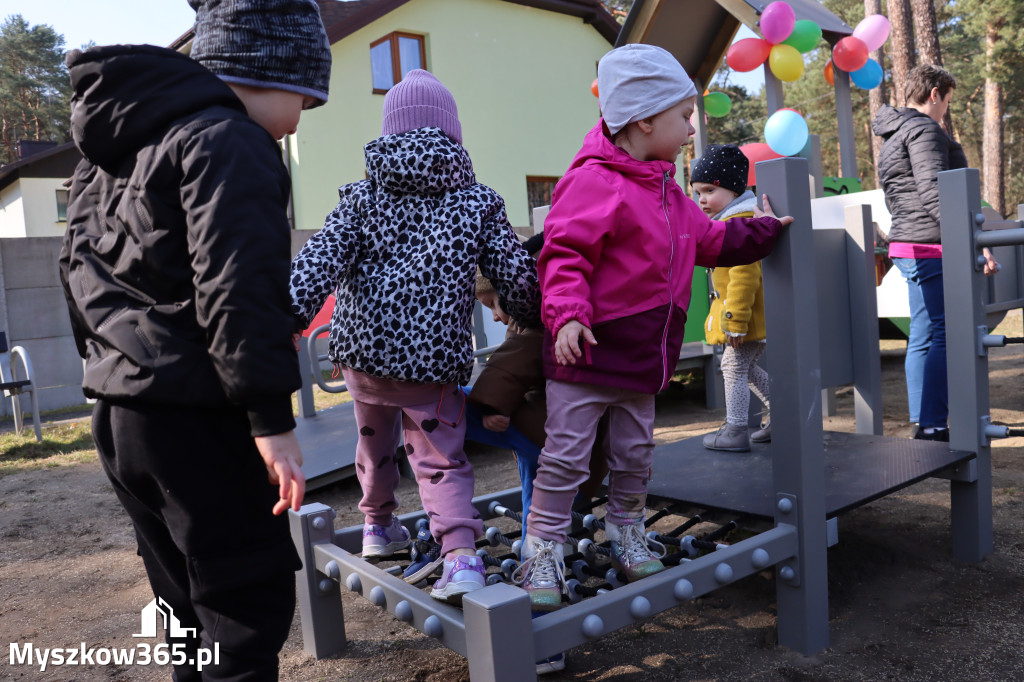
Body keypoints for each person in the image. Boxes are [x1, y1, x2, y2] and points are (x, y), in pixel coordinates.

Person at [58, 0, 331, 679]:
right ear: (261, 68)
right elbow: (239, 288)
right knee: (243, 606)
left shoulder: (114, 153)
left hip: (122, 410)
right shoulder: (230, 141)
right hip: (199, 414)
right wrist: (270, 419)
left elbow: (76, 272)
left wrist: (109, 367)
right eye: (304, 92)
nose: (303, 112)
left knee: (184, 604)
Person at [514, 44, 792, 611]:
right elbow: (563, 256)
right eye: (684, 117)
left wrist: (761, 232)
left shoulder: (669, 192)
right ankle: (540, 548)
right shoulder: (594, 181)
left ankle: (625, 531)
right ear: (644, 119)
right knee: (567, 456)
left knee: (637, 453)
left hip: (642, 358)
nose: (693, 129)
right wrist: (567, 314)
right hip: (590, 353)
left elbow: (710, 241)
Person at [289, 69, 541, 606]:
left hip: (362, 358)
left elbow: (315, 262)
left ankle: (378, 526)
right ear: (454, 135)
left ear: (389, 133)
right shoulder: (477, 202)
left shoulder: (359, 198)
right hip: (432, 367)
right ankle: (460, 558)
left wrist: (288, 318)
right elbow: (515, 274)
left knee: (373, 442)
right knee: (440, 458)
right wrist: (530, 314)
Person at [872, 64, 998, 442]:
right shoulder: (925, 130)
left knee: (924, 334)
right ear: (934, 95)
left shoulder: (894, 133)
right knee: (944, 332)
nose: (946, 109)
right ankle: (932, 423)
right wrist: (973, 239)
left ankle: (923, 419)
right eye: (947, 101)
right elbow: (934, 192)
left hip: (907, 245)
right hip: (930, 245)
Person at [691, 144, 772, 452]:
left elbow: (744, 275)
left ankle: (736, 430)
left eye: (710, 190)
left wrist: (734, 321)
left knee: (733, 368)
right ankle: (782, 413)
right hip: (745, 318)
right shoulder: (731, 222)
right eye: (698, 193)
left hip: (744, 319)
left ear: (734, 188)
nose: (702, 200)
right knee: (744, 368)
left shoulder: (736, 226)